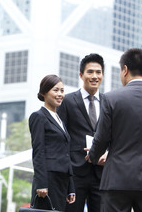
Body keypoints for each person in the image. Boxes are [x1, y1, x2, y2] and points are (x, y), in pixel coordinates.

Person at [86, 48, 142, 211]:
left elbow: (102, 137)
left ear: (125, 70)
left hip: (116, 179)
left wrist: (93, 155)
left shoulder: (111, 98)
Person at [57, 53, 106, 212]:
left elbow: (117, 136)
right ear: (81, 75)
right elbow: (60, 139)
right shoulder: (67, 101)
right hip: (75, 174)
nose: (94, 76)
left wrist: (108, 153)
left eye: (98, 72)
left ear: (102, 75)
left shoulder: (110, 103)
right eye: (90, 72)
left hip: (102, 175)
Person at [29, 74, 76, 211]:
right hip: (48, 181)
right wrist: (41, 183)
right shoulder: (38, 116)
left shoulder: (59, 119)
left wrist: (70, 187)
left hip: (62, 181)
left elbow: (66, 154)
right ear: (44, 92)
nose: (60, 94)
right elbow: (38, 151)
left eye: (62, 90)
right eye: (56, 90)